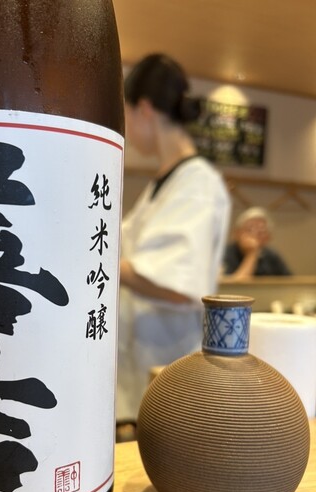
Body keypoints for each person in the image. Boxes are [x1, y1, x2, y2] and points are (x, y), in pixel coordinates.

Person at [117, 54, 231, 428]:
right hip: (140, 361)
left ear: (144, 109)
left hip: (169, 362)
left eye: (126, 112)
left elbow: (180, 287)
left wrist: (101, 263)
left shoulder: (198, 184)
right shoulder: (164, 182)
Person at [222, 206, 292, 279]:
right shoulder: (224, 253)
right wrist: (252, 253)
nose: (254, 235)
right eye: (250, 230)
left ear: (268, 238)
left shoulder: (271, 255)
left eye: (261, 231)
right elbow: (233, 285)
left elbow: (290, 282)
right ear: (237, 234)